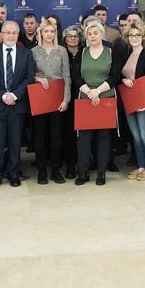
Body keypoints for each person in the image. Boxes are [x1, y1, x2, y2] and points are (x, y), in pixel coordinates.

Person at [0, 21, 35, 188]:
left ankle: (13, 173)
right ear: (2, 34)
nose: (11, 36)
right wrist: (2, 95)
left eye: (14, 33)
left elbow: (29, 78)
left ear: (18, 34)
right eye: (7, 32)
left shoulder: (26, 54)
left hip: (17, 104)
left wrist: (14, 95)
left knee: (15, 141)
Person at [71, 19, 122, 186]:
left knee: (104, 137)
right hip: (85, 98)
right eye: (89, 34)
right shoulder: (82, 53)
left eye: (96, 33)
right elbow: (75, 75)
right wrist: (89, 92)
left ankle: (101, 173)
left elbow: (115, 76)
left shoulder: (111, 52)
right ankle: (83, 173)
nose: (92, 36)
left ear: (102, 34)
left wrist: (98, 91)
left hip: (105, 98)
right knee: (83, 138)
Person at [30, 18, 71, 184]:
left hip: (57, 97)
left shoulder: (62, 51)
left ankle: (55, 170)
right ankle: (41, 170)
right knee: (39, 135)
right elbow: (28, 73)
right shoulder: (33, 51)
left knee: (56, 135)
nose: (49, 34)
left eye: (52, 31)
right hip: (40, 96)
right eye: (46, 31)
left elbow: (66, 75)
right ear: (41, 33)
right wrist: (36, 78)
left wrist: (66, 99)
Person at [118, 21, 145, 181]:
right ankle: (141, 167)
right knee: (136, 137)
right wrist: (123, 79)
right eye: (131, 35)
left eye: (137, 35)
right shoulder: (127, 56)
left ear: (143, 37)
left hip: (144, 102)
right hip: (130, 102)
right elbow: (121, 75)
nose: (134, 38)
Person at [62, 25, 83, 178]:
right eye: (70, 36)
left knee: (83, 133)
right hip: (65, 97)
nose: (73, 38)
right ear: (65, 39)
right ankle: (70, 165)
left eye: (76, 36)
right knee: (68, 132)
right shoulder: (61, 53)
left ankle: (83, 163)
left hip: (83, 95)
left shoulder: (85, 52)